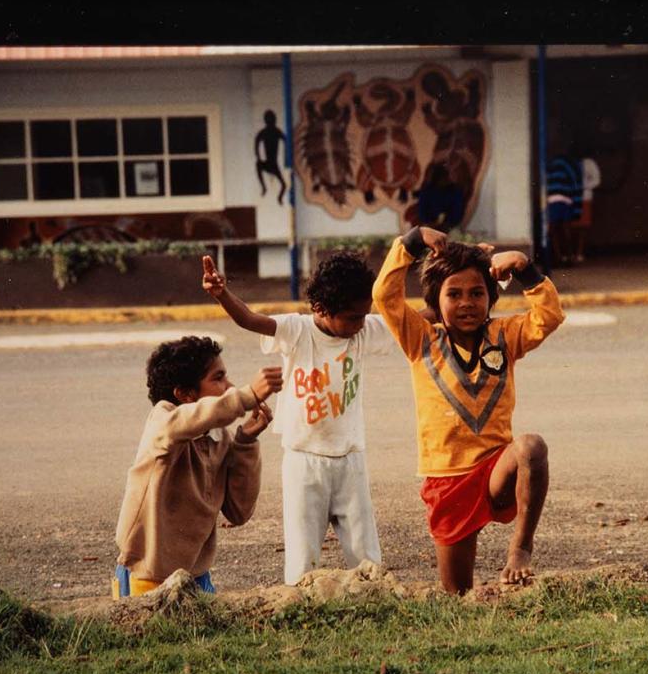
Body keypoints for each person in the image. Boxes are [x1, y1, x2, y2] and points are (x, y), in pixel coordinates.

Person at [371, 226, 565, 594]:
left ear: (491, 297)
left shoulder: (505, 337)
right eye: (454, 294)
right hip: (446, 480)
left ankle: (521, 549)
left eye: (477, 293)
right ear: (434, 299)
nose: (466, 303)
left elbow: (549, 315)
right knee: (456, 594)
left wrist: (524, 268)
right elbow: (385, 295)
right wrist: (411, 241)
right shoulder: (420, 340)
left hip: (496, 471)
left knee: (531, 447)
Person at [202, 252, 393, 585]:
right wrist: (222, 294)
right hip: (304, 461)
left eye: (364, 315)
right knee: (303, 557)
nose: (360, 325)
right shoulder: (297, 330)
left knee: (366, 556)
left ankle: (373, 601)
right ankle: (301, 608)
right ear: (320, 309)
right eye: (351, 318)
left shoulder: (362, 332)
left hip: (351, 460)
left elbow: (412, 319)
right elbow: (249, 318)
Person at [112, 336, 283, 598]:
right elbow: (184, 421)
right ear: (185, 394)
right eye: (218, 378)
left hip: (197, 575)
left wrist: (246, 442)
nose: (229, 386)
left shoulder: (219, 437)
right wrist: (245, 396)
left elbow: (239, 512)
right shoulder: (163, 421)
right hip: (147, 574)